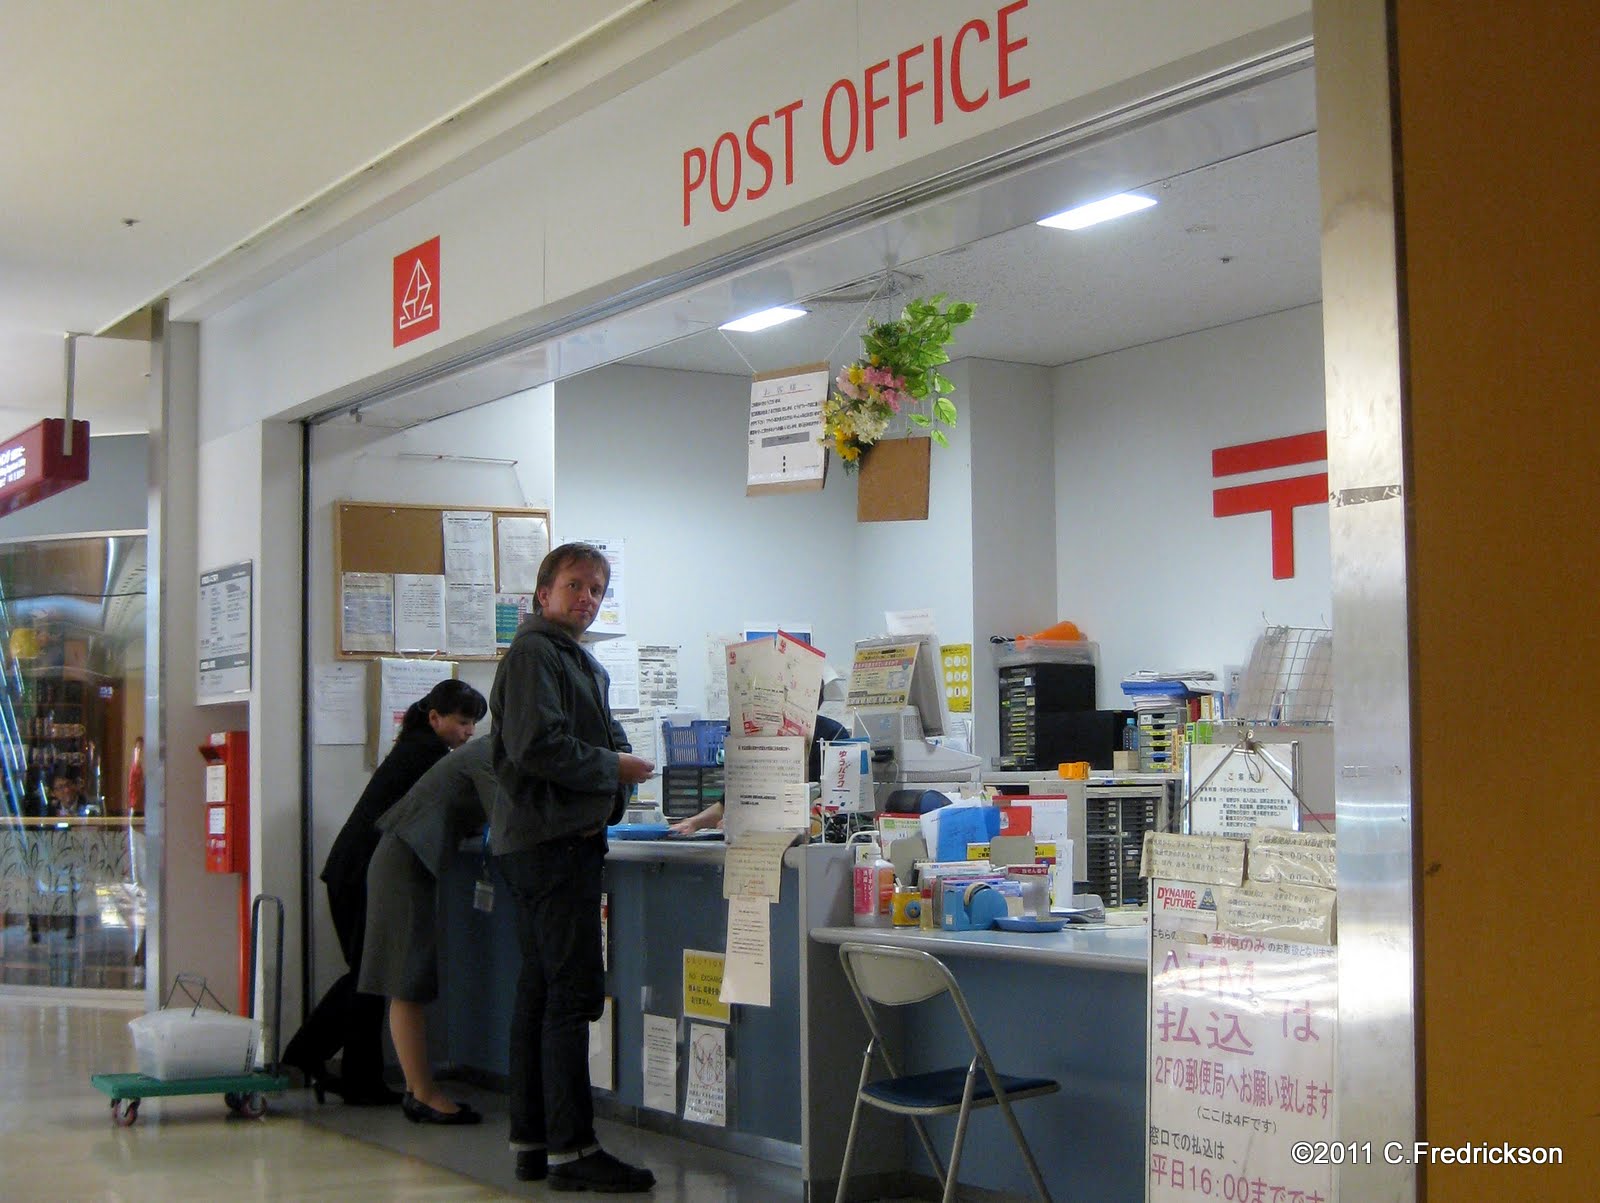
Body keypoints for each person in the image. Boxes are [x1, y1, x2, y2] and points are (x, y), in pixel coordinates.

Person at [490, 542, 656, 1191]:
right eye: (575, 585)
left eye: (597, 588)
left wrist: (613, 763)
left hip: (545, 842)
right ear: (543, 594)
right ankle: (573, 1148)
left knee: (539, 993)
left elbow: (604, 736)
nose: (586, 597)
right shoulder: (536, 652)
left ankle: (533, 1141)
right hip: (554, 845)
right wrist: (612, 769)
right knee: (570, 995)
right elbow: (539, 744)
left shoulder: (570, 658)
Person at [282, 678, 486, 1105]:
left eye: (473, 725)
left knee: (369, 978)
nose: (468, 733)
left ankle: (357, 1077)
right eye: (463, 722)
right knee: (368, 976)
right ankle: (306, 1056)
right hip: (362, 872)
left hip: (349, 869)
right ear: (435, 718)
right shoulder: (426, 754)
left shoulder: (415, 747)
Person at [358, 734, 498, 1125]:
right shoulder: (486, 754)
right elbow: (507, 816)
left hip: (407, 858)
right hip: (405, 861)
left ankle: (417, 1088)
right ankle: (423, 1092)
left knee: (410, 976)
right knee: (407, 978)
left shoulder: (484, 752)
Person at [668, 693, 849, 836]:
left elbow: (830, 804)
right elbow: (728, 804)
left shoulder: (833, 735)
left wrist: (754, 822)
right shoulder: (761, 742)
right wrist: (693, 823)